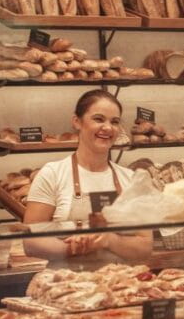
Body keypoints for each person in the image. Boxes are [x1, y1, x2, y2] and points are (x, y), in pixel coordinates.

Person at [23, 90, 152, 262]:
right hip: (65, 283)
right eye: (98, 119)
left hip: (119, 284)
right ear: (77, 122)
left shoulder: (131, 179)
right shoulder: (52, 173)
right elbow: (30, 242)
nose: (107, 128)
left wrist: (109, 240)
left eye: (114, 122)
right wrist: (73, 248)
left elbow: (145, 248)